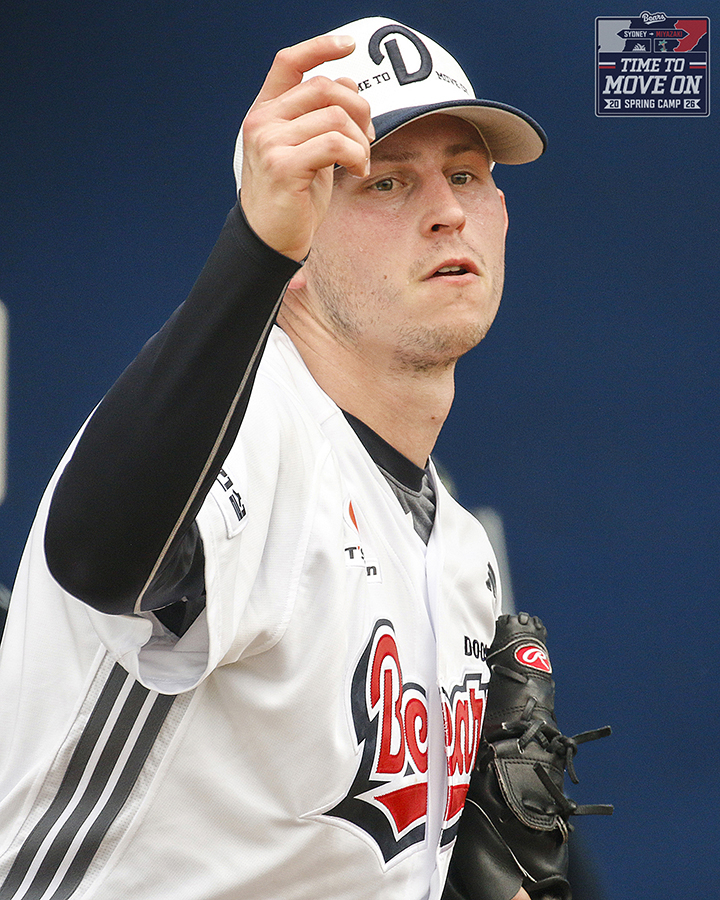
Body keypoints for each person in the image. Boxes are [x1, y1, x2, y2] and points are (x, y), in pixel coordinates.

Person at [0, 17, 547, 900]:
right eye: (384, 182)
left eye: (467, 175)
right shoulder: (242, 430)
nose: (447, 209)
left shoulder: (458, 552)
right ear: (297, 240)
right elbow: (104, 558)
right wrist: (253, 246)